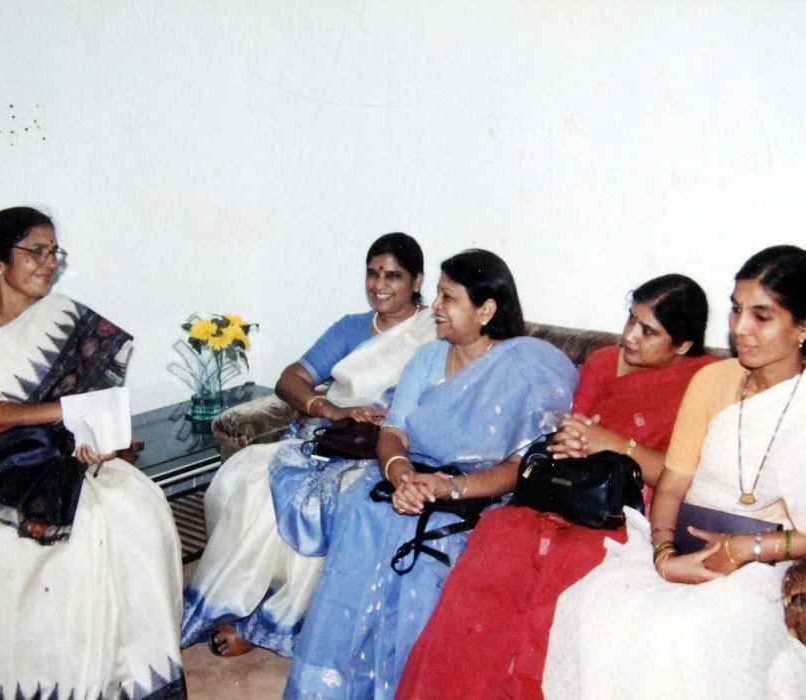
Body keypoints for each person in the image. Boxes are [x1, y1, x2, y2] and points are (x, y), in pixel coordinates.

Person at [542, 246, 806, 698]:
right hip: (677, 546)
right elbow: (672, 485)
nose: (739, 328)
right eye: (735, 310)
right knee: (598, 609)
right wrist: (665, 555)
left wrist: (749, 548)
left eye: (761, 316)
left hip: (758, 564)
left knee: (689, 637)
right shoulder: (712, 380)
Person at [397, 274, 718, 699]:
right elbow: (566, 430)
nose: (630, 336)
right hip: (560, 493)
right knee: (494, 546)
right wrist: (573, 440)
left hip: (619, 513)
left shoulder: (702, 381)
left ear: (683, 345)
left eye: (648, 331)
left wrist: (614, 444)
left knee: (559, 587)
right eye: (630, 320)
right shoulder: (602, 361)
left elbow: (681, 475)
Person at [282, 249, 579, 699]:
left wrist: (449, 488)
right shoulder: (427, 358)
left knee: (427, 552)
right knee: (364, 511)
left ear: (486, 310)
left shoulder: (523, 367)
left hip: (476, 496)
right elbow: (393, 432)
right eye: (437, 294)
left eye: (448, 297)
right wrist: (400, 475)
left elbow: (523, 467)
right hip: (412, 480)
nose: (435, 306)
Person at [0, 207, 185, 699]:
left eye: (54, 252)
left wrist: (93, 433)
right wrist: (59, 411)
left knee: (137, 508)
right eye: (35, 251)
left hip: (58, 453)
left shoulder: (61, 315)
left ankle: (125, 678)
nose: (49, 262)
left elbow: (87, 405)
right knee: (59, 545)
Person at [180, 232, 436, 658]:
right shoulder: (351, 327)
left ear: (417, 281)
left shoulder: (434, 333)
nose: (379, 285)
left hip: (384, 450)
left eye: (393, 275)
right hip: (330, 437)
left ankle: (271, 623)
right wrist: (331, 409)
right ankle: (240, 602)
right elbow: (290, 379)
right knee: (249, 476)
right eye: (372, 274)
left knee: (318, 500)